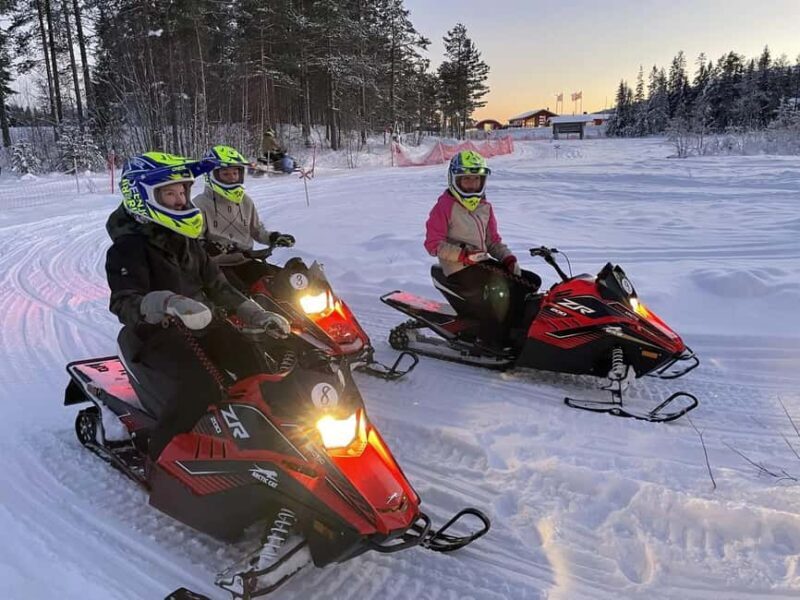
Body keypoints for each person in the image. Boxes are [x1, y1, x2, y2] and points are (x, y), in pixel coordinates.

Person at [105, 151, 291, 459]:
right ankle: (159, 452)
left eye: (183, 192)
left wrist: (256, 314)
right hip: (155, 335)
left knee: (256, 366)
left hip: (205, 323)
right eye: (170, 193)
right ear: (142, 196)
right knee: (200, 387)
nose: (181, 201)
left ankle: (263, 439)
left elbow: (218, 286)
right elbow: (124, 302)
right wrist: (168, 303)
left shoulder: (186, 239)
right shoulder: (128, 248)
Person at [424, 150, 540, 350]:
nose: (471, 184)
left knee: (530, 281)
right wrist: (462, 255)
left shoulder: (484, 206)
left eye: (476, 179)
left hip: (481, 262)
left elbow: (492, 241)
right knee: (497, 291)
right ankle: (489, 341)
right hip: (458, 268)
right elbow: (433, 244)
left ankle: (516, 329)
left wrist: (507, 258)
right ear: (455, 180)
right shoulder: (444, 207)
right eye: (466, 179)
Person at [193, 144, 296, 290]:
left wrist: (273, 237)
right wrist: (208, 247)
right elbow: (193, 240)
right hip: (218, 266)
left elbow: (256, 230)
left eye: (235, 173)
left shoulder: (245, 201)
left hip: (246, 260)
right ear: (211, 175)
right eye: (226, 174)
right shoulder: (199, 204)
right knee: (242, 295)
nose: (232, 178)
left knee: (282, 286)